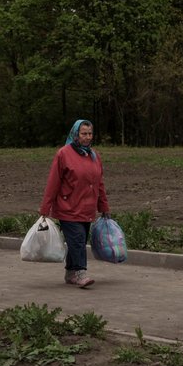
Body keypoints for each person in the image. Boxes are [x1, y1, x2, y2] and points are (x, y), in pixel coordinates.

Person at [39, 119, 110, 288]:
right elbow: (53, 183)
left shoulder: (93, 156)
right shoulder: (63, 154)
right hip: (68, 208)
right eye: (83, 134)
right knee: (77, 240)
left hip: (87, 208)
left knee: (78, 241)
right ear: (75, 134)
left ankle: (70, 272)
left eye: (90, 134)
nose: (87, 137)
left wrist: (104, 207)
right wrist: (45, 208)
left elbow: (99, 183)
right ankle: (80, 273)